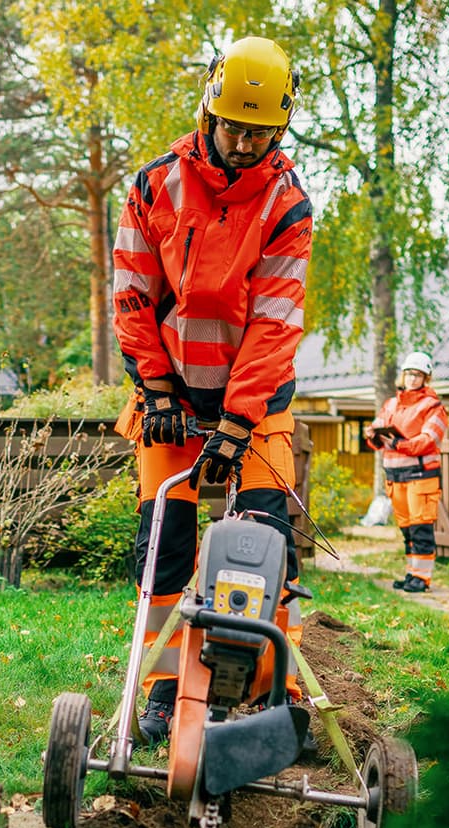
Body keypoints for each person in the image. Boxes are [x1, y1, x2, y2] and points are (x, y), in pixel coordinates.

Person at [110, 36, 314, 745]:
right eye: (234, 126)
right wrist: (158, 392)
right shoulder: (153, 185)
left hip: (252, 409)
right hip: (169, 407)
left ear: (280, 128)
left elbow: (275, 324)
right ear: (209, 111)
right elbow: (133, 297)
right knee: (163, 549)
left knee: (268, 548)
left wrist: (236, 424)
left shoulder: (287, 204)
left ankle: (273, 694)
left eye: (261, 132)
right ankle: (165, 690)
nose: (245, 142)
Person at [369, 351, 449, 592]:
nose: (413, 379)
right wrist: (373, 435)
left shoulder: (434, 407)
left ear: (426, 378)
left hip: (421, 477)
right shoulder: (391, 404)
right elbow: (378, 430)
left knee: (421, 527)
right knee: (407, 531)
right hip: (395, 478)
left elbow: (427, 441)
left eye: (418, 375)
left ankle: (422, 579)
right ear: (403, 375)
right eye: (410, 373)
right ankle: (411, 574)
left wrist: (395, 444)